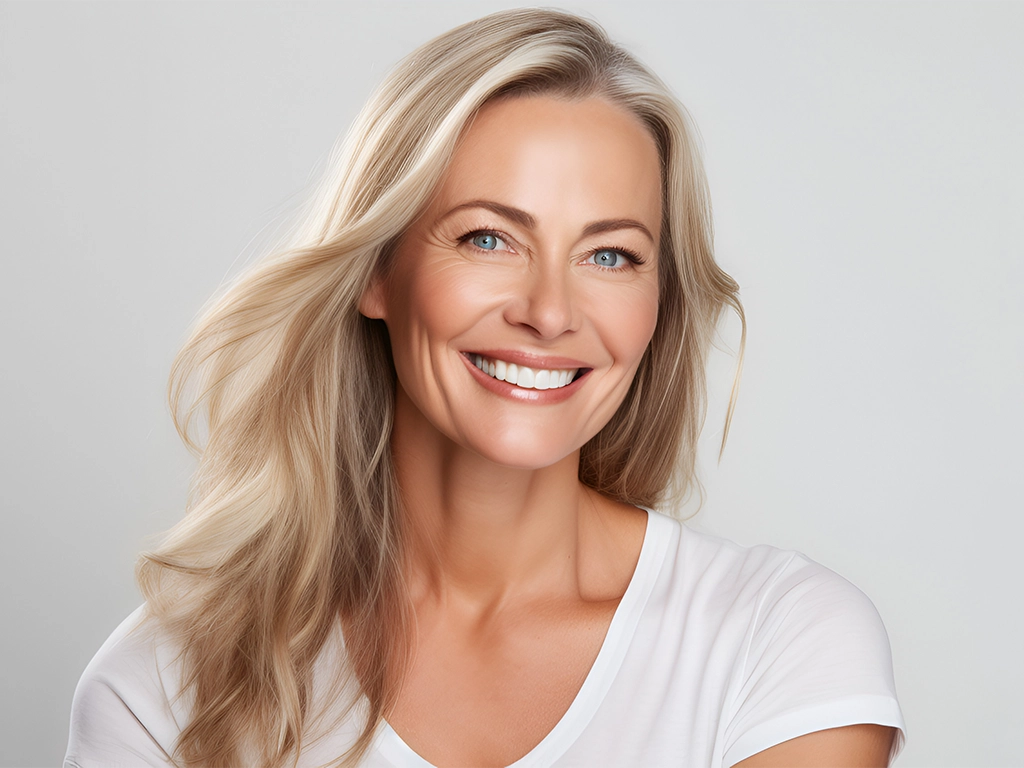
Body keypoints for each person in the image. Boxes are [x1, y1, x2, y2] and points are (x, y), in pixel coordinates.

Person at [64, 9, 905, 768]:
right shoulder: (166, 687)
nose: (550, 312)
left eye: (610, 255)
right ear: (376, 271)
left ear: (658, 305)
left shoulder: (779, 641)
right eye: (488, 238)